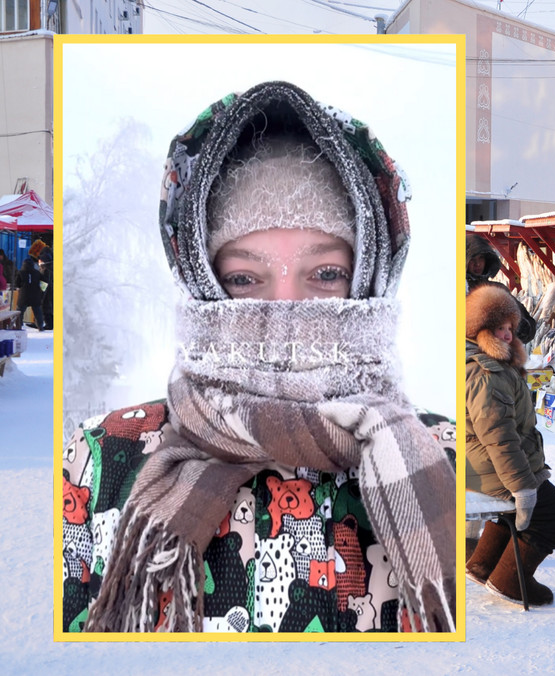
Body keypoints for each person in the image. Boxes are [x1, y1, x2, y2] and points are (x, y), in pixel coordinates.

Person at [61, 81, 455, 633]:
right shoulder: (101, 459)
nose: (286, 307)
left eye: (326, 274)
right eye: (244, 278)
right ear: (202, 280)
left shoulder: (442, 461)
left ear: (368, 280)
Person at [463, 283, 555, 606]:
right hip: (489, 468)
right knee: (554, 513)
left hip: (479, 465)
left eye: (510, 328)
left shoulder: (481, 361)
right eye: (499, 328)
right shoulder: (486, 373)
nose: (508, 336)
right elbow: (500, 438)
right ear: (480, 329)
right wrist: (523, 488)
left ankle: (483, 565)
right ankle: (511, 581)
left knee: (521, 510)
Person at [465, 233, 536, 343]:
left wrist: (519, 327)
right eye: (473, 259)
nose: (477, 264)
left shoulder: (498, 289)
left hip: (497, 354)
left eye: (481, 258)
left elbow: (528, 325)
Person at [15, 256, 44, 331]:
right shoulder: (37, 273)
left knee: (20, 311)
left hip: (24, 295)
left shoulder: (20, 272)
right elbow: (43, 283)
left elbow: (17, 284)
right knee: (37, 312)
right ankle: (40, 326)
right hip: (35, 295)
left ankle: (19, 325)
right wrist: (41, 291)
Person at [38, 252, 52, 331]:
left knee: (45, 307)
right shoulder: (49, 268)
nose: (38, 262)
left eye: (40, 260)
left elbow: (44, 283)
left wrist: (41, 293)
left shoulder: (45, 270)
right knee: (48, 308)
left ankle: (49, 324)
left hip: (47, 292)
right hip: (49, 291)